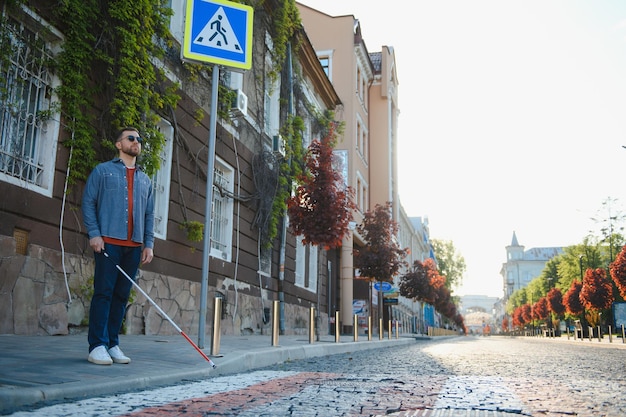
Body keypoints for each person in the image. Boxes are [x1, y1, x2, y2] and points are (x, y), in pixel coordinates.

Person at [82, 127, 155, 365]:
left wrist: (148, 244)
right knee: (103, 293)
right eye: (131, 138)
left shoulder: (145, 180)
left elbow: (149, 214)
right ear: (118, 144)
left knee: (121, 296)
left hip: (133, 246)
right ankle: (97, 345)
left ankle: (112, 344)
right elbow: (89, 202)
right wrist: (94, 234)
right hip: (108, 243)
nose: (136, 142)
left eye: (139, 139)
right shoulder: (103, 171)